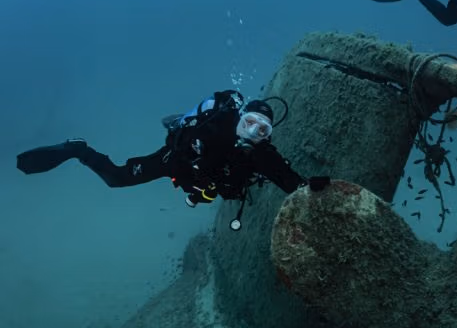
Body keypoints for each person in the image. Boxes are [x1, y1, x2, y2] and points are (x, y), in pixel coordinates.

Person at [16, 89, 329, 231]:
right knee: (116, 179)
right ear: (239, 117)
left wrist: (309, 186)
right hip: (176, 162)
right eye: (249, 122)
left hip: (203, 183)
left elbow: (288, 179)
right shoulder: (215, 127)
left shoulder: (262, 154)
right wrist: (188, 154)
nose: (252, 132)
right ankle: (78, 150)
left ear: (268, 134)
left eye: (262, 130)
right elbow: (183, 145)